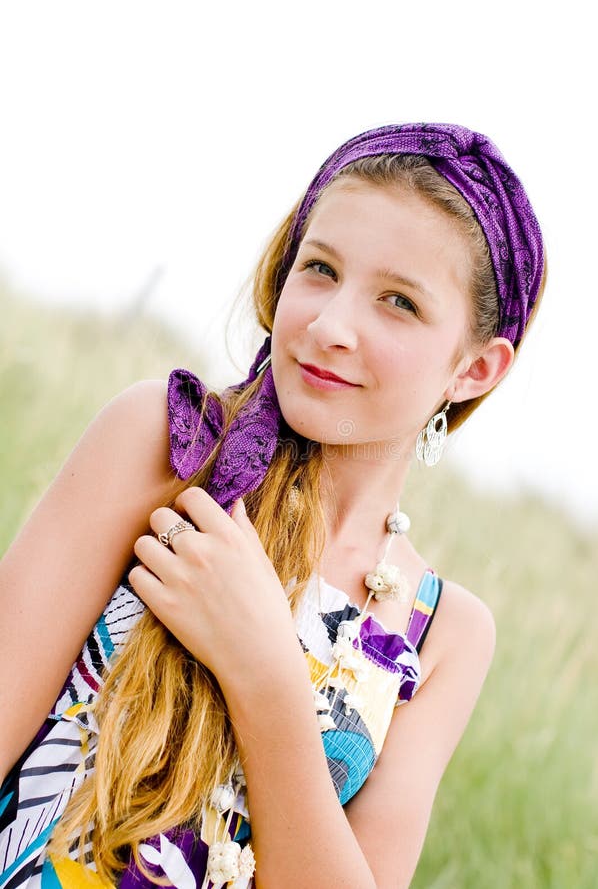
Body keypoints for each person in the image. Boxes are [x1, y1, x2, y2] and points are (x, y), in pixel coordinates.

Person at [0, 123, 545, 889]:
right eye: (319, 269)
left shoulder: (444, 632)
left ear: (474, 369)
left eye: (398, 302)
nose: (329, 326)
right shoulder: (170, 446)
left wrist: (264, 670)